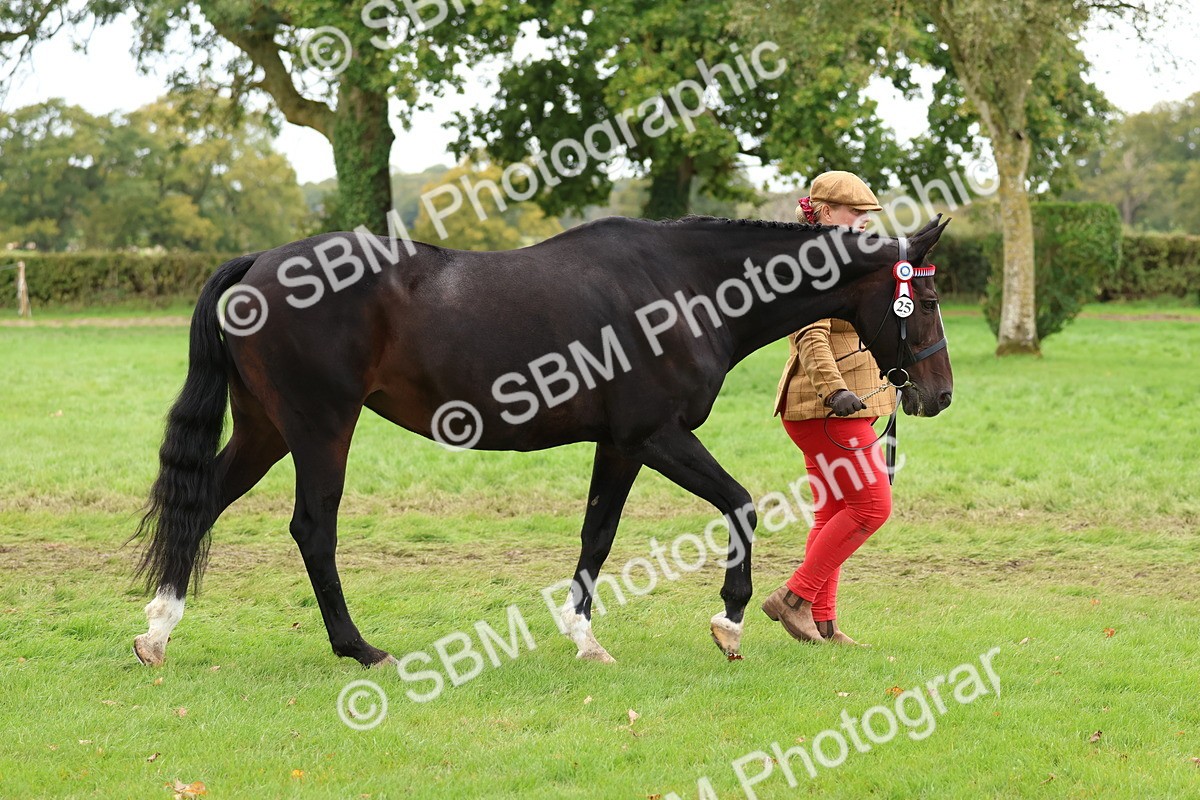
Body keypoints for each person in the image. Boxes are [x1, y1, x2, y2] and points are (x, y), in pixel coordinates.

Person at [760, 170, 893, 647]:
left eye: (867, 215)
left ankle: (822, 623)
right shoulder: (812, 263)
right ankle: (793, 598)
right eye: (855, 213)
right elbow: (810, 336)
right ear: (824, 211)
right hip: (827, 411)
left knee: (833, 511)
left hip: (840, 408)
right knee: (873, 507)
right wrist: (836, 393)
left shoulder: (842, 258)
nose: (863, 222)